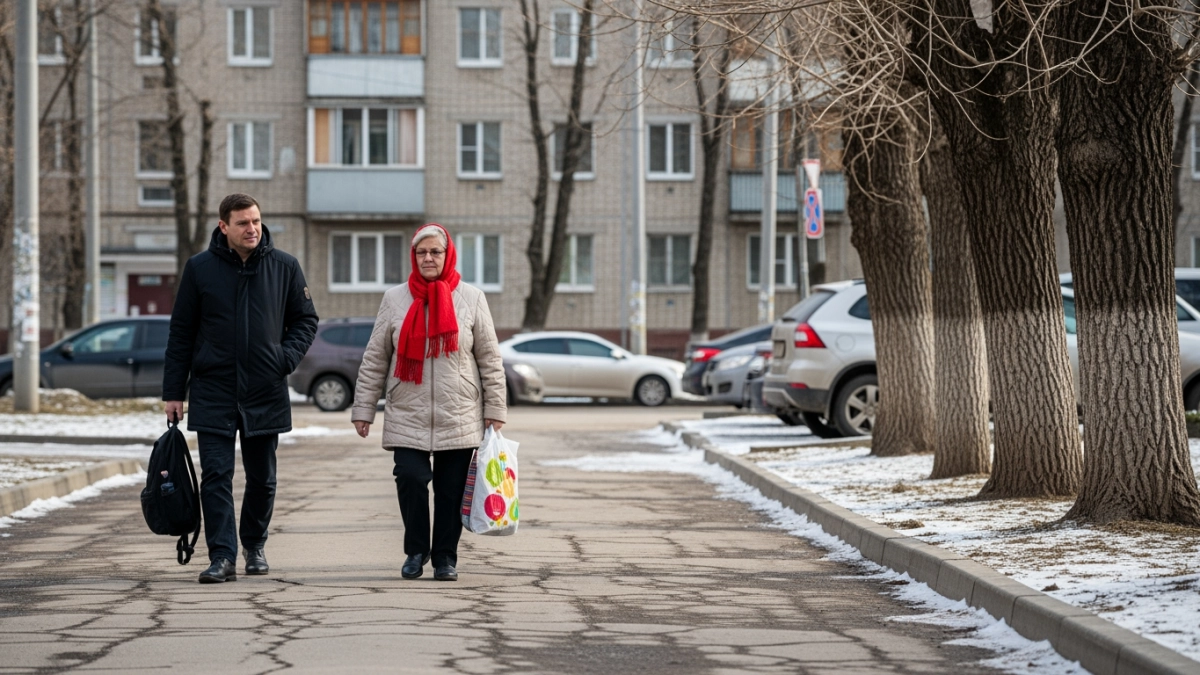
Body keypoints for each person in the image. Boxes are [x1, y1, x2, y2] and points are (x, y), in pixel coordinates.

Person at [163, 193, 318, 584]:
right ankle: (222, 555)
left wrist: (283, 359)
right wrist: (173, 392)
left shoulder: (284, 266)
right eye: (243, 223)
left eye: (256, 221)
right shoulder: (199, 269)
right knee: (216, 475)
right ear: (223, 227)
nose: (252, 229)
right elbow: (181, 333)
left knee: (263, 477)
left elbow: (306, 320)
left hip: (265, 388)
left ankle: (254, 543)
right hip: (213, 388)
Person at [352, 223, 507, 582]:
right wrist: (363, 409)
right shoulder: (395, 298)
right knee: (410, 478)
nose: (428, 258)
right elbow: (376, 357)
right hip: (408, 407)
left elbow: (489, 357)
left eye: (435, 252)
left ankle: (445, 558)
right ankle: (416, 550)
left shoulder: (472, 297)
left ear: (448, 254)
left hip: (459, 409)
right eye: (421, 252)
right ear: (413, 256)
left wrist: (495, 409)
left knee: (450, 491)